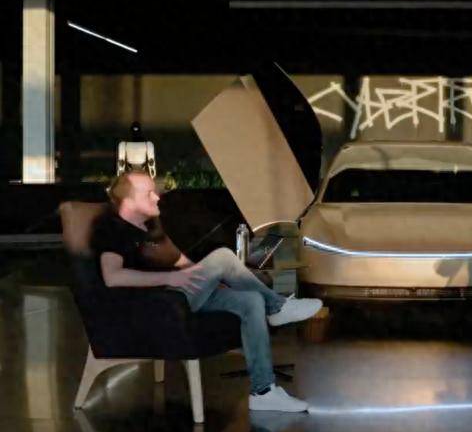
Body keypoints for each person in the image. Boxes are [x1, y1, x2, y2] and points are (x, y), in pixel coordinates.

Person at [91, 170, 323, 412]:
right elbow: (112, 276)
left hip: (178, 296)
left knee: (251, 300)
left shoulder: (150, 228)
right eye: (148, 193)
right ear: (128, 201)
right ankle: (277, 307)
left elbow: (183, 264)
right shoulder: (113, 229)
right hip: (155, 307)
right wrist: (171, 277)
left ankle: (263, 391)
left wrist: (216, 278)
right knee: (223, 256)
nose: (157, 197)